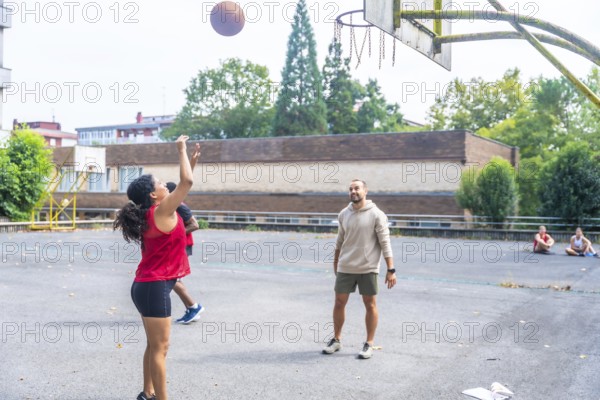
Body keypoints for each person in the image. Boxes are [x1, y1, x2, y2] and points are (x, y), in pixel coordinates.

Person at [113, 135, 196, 400]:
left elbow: (184, 181)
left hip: (149, 285)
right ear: (153, 194)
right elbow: (186, 183)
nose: (164, 184)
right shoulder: (162, 211)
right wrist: (181, 150)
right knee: (161, 348)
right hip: (153, 287)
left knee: (153, 344)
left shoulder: (155, 212)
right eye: (160, 183)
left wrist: (189, 161)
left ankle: (147, 393)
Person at [322, 179, 396, 360]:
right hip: (346, 266)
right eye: (350, 189)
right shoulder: (343, 214)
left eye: (357, 188)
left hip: (368, 267)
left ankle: (369, 343)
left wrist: (391, 269)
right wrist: (335, 261)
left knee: (370, 304)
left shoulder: (377, 215)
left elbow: (385, 242)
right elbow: (340, 240)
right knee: (339, 302)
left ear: (365, 191)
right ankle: (337, 340)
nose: (353, 191)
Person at [165, 180, 205, 324]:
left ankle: (194, 307)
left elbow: (195, 225)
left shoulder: (180, 206)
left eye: (164, 189)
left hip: (182, 245)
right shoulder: (171, 205)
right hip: (177, 244)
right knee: (173, 277)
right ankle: (192, 308)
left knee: (172, 277)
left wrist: (174, 234)